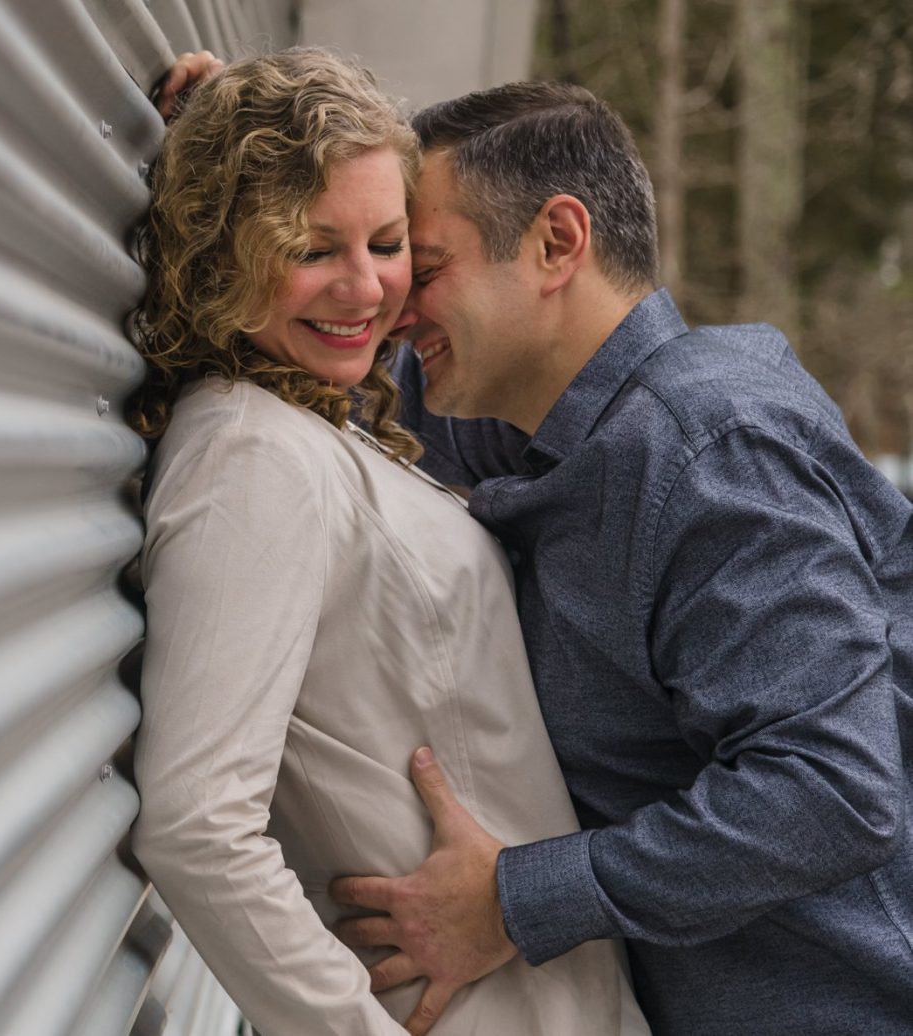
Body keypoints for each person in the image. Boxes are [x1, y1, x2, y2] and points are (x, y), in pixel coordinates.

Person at [314, 83, 913, 1035]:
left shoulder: (710, 452)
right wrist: (260, 140)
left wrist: (513, 902)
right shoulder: (549, 429)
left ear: (557, 242)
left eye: (421, 267)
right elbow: (351, 388)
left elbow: (829, 790)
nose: (395, 309)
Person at [127, 48, 648, 1036]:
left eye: (387, 240)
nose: (367, 288)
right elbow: (196, 826)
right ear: (226, 248)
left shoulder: (323, 422)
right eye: (314, 248)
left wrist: (250, 116)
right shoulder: (253, 456)